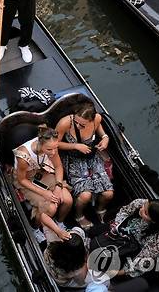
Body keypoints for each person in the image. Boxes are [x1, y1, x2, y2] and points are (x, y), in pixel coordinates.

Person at [55, 98, 114, 230]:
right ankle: (79, 216)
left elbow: (102, 134)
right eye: (76, 122)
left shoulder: (97, 119)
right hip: (72, 158)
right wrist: (75, 146)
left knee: (108, 194)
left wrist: (105, 139)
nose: (78, 126)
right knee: (85, 195)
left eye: (82, 124)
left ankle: (100, 209)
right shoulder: (65, 123)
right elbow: (55, 144)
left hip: (91, 156)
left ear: (91, 120)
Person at [12, 125, 73, 241]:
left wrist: (58, 187)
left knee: (67, 200)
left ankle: (59, 222)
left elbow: (58, 167)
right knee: (50, 208)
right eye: (49, 149)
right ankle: (35, 228)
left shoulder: (52, 147)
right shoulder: (23, 156)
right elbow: (22, 180)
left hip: (41, 172)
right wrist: (44, 193)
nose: (53, 152)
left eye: (55, 148)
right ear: (40, 144)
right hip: (26, 179)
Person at [93, 199, 159, 279]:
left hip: (134, 251)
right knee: (93, 234)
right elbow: (124, 212)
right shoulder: (142, 203)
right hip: (122, 231)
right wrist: (118, 228)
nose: (141, 209)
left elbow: (143, 259)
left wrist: (120, 272)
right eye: (143, 206)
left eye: (145, 212)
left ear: (153, 221)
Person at [44, 227, 110, 291]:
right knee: (104, 280)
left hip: (52, 269)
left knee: (78, 230)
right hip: (63, 282)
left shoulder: (50, 248)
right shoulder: (77, 271)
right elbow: (81, 281)